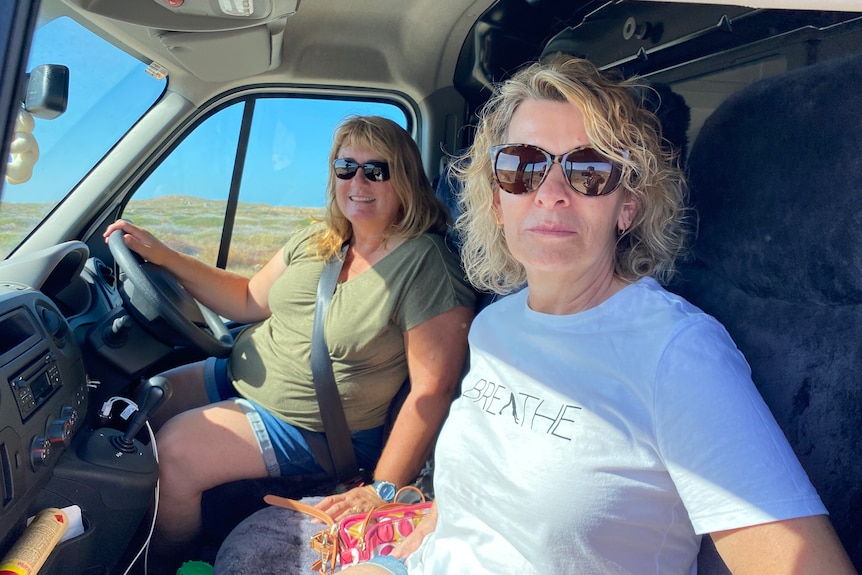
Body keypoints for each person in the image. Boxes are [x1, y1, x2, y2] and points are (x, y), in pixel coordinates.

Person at [343, 56, 857, 574]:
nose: (550, 193)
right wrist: (436, 525)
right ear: (497, 199)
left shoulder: (677, 353)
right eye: (521, 166)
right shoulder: (495, 325)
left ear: (628, 205)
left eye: (589, 169)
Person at [103, 115, 476, 572]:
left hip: (312, 425)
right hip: (242, 375)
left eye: (376, 170)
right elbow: (245, 299)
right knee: (137, 403)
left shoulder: (425, 264)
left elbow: (431, 390)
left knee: (176, 453)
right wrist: (164, 255)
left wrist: (382, 489)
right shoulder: (318, 239)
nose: (358, 181)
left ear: (407, 180)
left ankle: (163, 565)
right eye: (346, 167)